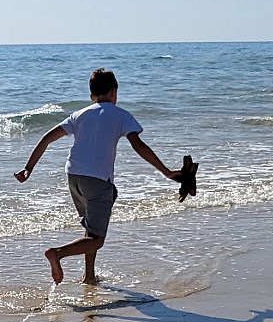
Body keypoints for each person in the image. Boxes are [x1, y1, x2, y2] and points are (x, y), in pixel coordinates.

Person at [14, 68, 183, 286]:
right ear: (114, 92)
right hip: (97, 181)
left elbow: (47, 138)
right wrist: (166, 171)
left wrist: (28, 168)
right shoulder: (121, 115)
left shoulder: (80, 114)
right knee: (97, 240)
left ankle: (89, 276)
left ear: (92, 96)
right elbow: (138, 145)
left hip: (73, 176)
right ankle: (58, 253)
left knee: (91, 228)